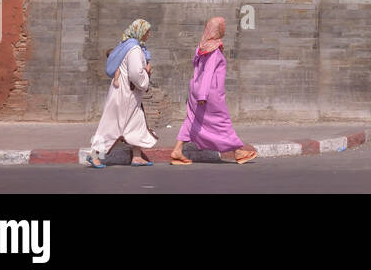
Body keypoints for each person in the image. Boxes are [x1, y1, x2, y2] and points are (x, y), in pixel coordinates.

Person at [170, 16, 257, 165]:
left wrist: (198, 92)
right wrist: (203, 95)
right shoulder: (214, 51)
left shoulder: (202, 46)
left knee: (192, 119)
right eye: (222, 26)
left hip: (195, 88)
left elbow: (196, 67)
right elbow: (209, 72)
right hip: (209, 92)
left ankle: (177, 150)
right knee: (222, 122)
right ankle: (238, 151)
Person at [82, 18, 157, 168]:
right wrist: (146, 75)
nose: (149, 34)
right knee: (112, 126)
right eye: (147, 31)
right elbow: (135, 74)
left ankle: (136, 157)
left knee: (137, 124)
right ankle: (94, 154)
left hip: (128, 95)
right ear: (140, 32)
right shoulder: (134, 50)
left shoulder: (129, 46)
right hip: (125, 95)